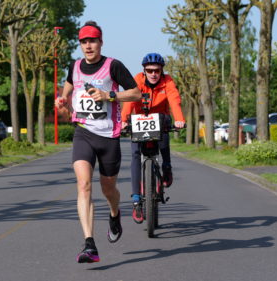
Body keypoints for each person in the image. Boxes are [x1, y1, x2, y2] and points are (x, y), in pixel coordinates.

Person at [55, 21, 141, 263]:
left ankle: (115, 214)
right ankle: (89, 244)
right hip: (83, 132)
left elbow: (135, 93)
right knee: (83, 185)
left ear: (101, 42)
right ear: (80, 44)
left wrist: (109, 95)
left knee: (108, 189)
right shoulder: (75, 66)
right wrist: (63, 99)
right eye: (84, 41)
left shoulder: (113, 66)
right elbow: (70, 85)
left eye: (92, 40)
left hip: (109, 136)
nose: (88, 45)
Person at [121, 52, 185, 224]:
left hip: (160, 118)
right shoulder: (137, 80)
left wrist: (179, 119)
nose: (153, 74)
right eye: (150, 70)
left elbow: (174, 100)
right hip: (140, 120)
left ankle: (167, 165)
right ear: (144, 71)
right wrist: (124, 120)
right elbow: (128, 101)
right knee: (135, 154)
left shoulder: (168, 81)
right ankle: (136, 200)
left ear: (162, 70)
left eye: (157, 70)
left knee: (164, 129)